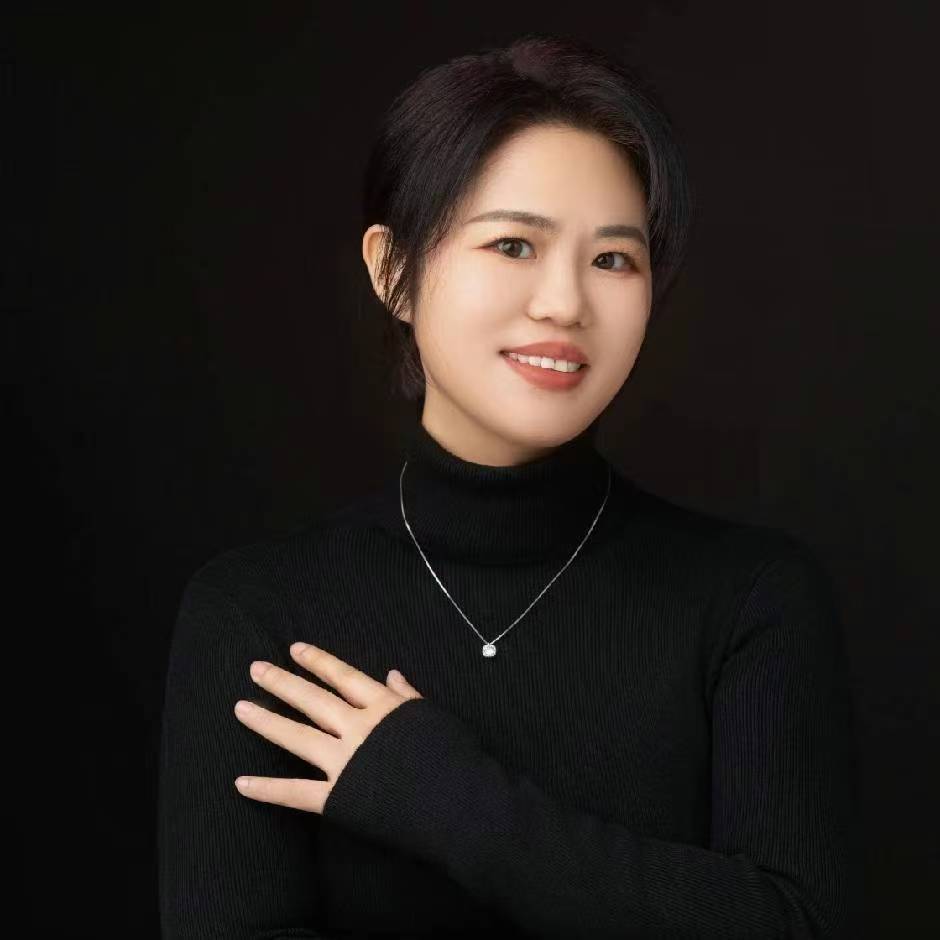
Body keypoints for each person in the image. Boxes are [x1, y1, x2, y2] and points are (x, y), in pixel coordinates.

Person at [157, 33, 861, 939]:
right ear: (392, 272)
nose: (565, 303)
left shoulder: (752, 601)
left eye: (614, 259)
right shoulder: (256, 614)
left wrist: (447, 797)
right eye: (514, 244)